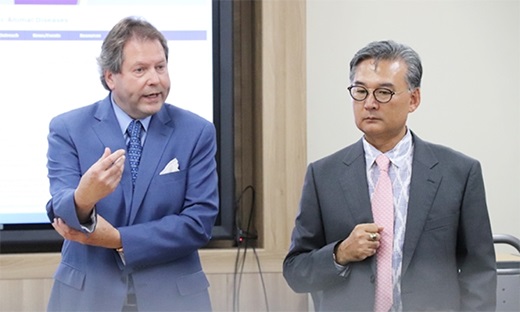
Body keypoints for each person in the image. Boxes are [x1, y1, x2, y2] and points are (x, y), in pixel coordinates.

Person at [283, 40, 497, 311]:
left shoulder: (459, 172)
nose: (370, 103)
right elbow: (295, 271)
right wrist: (340, 253)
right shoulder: (323, 175)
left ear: (414, 99)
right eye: (360, 91)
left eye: (383, 92)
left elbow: (479, 273)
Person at [45, 16, 218, 311]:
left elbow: (198, 222)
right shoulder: (68, 128)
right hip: (87, 296)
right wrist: (85, 197)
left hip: (173, 298)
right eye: (140, 70)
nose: (156, 79)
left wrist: (118, 239)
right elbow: (61, 212)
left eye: (160, 67)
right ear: (111, 77)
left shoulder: (197, 131)